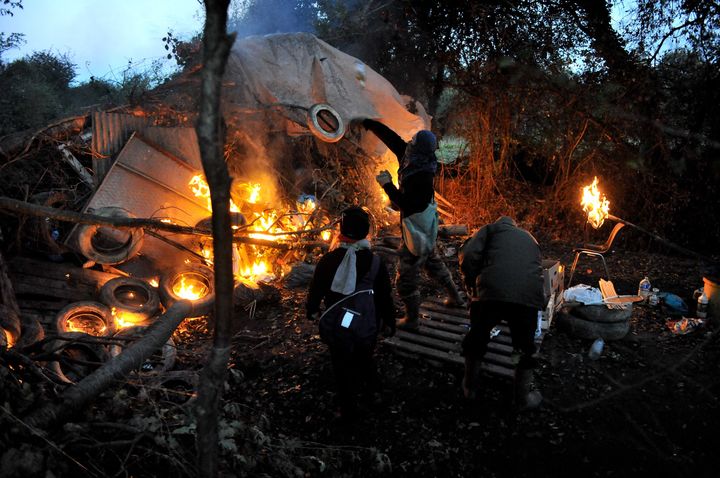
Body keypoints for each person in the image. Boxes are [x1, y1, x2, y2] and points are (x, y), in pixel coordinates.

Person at [362, 119, 466, 330]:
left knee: (406, 278)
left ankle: (412, 319)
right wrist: (369, 123)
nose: (409, 142)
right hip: (425, 228)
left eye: (413, 141)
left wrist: (387, 185)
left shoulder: (423, 177)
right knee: (433, 260)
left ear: (419, 147)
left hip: (416, 227)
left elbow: (407, 205)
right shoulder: (412, 156)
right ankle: (456, 297)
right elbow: (392, 138)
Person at [306, 206, 395, 419]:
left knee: (341, 363)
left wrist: (312, 310)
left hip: (339, 325)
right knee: (365, 357)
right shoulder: (375, 262)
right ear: (366, 232)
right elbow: (384, 295)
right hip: (367, 324)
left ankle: (347, 407)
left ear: (341, 230)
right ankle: (373, 393)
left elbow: (316, 289)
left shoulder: (328, 260)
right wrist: (389, 320)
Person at [458, 216, 545, 410]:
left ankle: (469, 388)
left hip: (492, 292)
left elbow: (468, 255)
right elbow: (537, 268)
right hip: (527, 296)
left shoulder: (489, 230)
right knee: (523, 346)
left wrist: (471, 282)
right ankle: (521, 398)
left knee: (478, 338)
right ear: (515, 225)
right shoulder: (530, 238)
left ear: (499, 223)